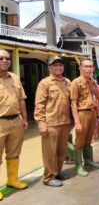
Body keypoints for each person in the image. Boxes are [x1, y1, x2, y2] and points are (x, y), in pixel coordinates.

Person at [34, 56, 72, 187]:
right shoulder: (45, 83)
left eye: (60, 65)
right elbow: (39, 105)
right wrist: (41, 123)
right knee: (50, 152)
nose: (58, 67)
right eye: (55, 65)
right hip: (51, 123)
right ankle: (49, 177)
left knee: (62, 151)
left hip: (65, 122)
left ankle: (57, 172)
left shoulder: (67, 82)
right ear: (49, 67)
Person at [0, 49, 28, 201]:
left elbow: (22, 99)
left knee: (14, 153)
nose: (5, 61)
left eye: (7, 58)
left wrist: (24, 119)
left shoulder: (15, 78)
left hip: (16, 121)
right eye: (1, 58)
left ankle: (12, 180)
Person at [70, 57, 99, 177]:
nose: (89, 68)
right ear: (81, 68)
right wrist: (77, 121)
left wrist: (98, 115)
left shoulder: (93, 82)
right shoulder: (76, 83)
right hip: (82, 113)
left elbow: (96, 99)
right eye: (86, 66)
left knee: (89, 139)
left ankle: (89, 161)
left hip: (92, 112)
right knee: (79, 141)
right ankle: (78, 165)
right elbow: (73, 103)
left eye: (90, 66)